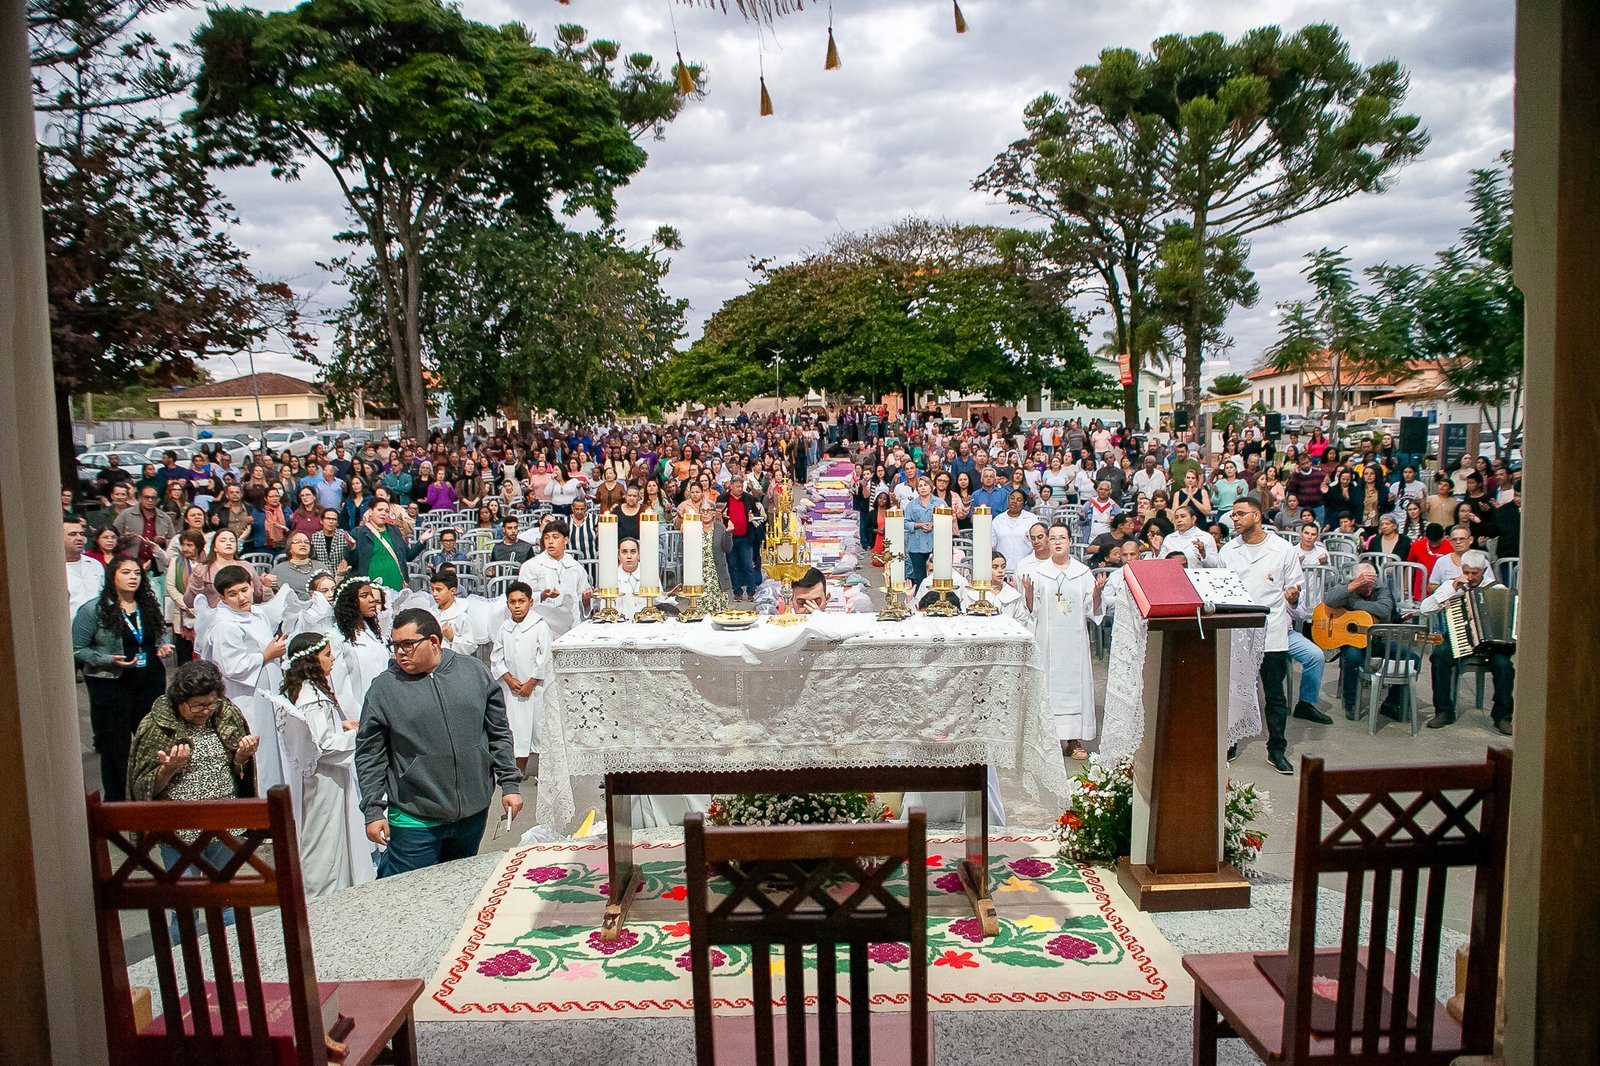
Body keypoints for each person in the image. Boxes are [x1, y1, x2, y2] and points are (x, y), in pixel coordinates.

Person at [355, 609, 522, 878]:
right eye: (395, 645)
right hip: (415, 819)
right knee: (404, 896)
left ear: (434, 641)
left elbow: (498, 733)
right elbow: (369, 755)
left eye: (408, 644)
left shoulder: (475, 673)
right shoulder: (383, 690)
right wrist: (373, 810)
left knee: (458, 889)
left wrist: (510, 784)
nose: (399, 652)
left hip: (472, 813)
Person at [277, 633, 373, 897]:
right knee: (325, 839)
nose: (332, 660)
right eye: (327, 654)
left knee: (331, 835)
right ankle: (320, 897)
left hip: (324, 778)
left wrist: (341, 725)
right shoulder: (312, 699)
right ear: (311, 660)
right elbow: (324, 745)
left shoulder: (306, 691)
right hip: (324, 781)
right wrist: (355, 735)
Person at [73, 555, 174, 801]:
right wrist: (108, 659)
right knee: (115, 748)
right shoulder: (93, 609)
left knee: (152, 742)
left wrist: (163, 645)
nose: (133, 578)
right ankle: (116, 802)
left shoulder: (148, 605)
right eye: (126, 573)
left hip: (148, 682)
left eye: (137, 573)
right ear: (112, 576)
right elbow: (76, 649)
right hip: (111, 685)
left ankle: (151, 794)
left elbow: (160, 634)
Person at [1219, 497, 1302, 775]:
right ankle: (1230, 742)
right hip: (1237, 631)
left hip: (1272, 632)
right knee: (1233, 690)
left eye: (1240, 513)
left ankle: (1276, 749)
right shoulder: (1229, 551)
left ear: (1257, 515)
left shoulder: (1283, 550)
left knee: (1275, 694)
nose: (1235, 519)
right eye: (1233, 515)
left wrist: (1292, 598)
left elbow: (1298, 596)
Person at [1020, 524, 1106, 761]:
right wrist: (1028, 593)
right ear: (1047, 542)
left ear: (1070, 541)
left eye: (1062, 538)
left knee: (1075, 686)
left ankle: (1073, 740)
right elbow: (1031, 611)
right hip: (1047, 641)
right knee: (1048, 686)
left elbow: (1093, 609)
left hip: (1074, 643)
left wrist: (1098, 592)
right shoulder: (1038, 573)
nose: (1057, 542)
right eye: (1053, 538)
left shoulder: (1082, 573)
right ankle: (1046, 740)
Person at [208, 564, 293, 793]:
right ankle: (263, 802)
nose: (241, 598)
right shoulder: (225, 625)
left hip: (268, 690)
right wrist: (266, 655)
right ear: (223, 598)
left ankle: (281, 797)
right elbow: (232, 667)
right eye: (232, 594)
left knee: (276, 748)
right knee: (260, 752)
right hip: (248, 696)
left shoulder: (256, 614)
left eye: (244, 590)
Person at [1419, 549, 1514, 735]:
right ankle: (1443, 711)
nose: (1470, 577)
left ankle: (1502, 716)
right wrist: (1453, 587)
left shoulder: (1497, 589)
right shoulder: (1451, 586)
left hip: (1490, 643)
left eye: (1475, 573)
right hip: (1457, 634)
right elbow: (1425, 609)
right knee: (1439, 657)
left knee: (1504, 665)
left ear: (1484, 570)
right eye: (1467, 572)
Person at [1321, 562, 1403, 721]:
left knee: (1413, 659)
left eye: (1372, 584)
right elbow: (1328, 599)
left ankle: (1392, 703)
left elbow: (1384, 609)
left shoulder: (1381, 587)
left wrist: (1353, 604)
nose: (1369, 589)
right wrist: (1355, 585)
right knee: (1352, 658)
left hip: (1378, 639)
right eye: (1365, 586)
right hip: (1353, 639)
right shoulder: (1351, 584)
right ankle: (1351, 703)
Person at [491, 581, 551, 778]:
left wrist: (531, 682)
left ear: (530, 602)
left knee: (538, 728)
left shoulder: (540, 626)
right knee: (515, 728)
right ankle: (518, 769)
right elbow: (496, 657)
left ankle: (543, 772)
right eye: (512, 602)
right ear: (507, 604)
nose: (517, 606)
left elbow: (545, 657)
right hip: (514, 690)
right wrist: (508, 679)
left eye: (521, 601)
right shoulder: (505, 628)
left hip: (536, 690)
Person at [518, 518, 592, 638]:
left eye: (555, 537)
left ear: (566, 539)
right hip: (541, 628)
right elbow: (520, 598)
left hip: (570, 629)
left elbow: (581, 602)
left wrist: (586, 600)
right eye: (546, 538)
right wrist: (542, 595)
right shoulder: (531, 566)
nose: (550, 542)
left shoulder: (575, 567)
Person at [330, 576, 390, 714]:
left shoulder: (373, 632)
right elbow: (340, 685)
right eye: (364, 595)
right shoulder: (337, 638)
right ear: (349, 601)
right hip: (359, 711)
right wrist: (356, 716)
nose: (372, 600)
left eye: (371, 595)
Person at [350, 500, 436, 591]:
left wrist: (421, 541)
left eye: (386, 511)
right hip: (371, 579)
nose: (383, 513)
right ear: (371, 512)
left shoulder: (394, 530)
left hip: (395, 578)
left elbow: (408, 556)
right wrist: (351, 548)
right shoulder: (358, 532)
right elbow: (352, 561)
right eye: (380, 510)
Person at [429, 569, 479, 656]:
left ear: (452, 591)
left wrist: (452, 638)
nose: (434, 594)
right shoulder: (430, 614)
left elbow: (471, 646)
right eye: (432, 589)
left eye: (438, 590)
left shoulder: (461, 616)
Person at [65, 516, 105, 621]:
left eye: (81, 534)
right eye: (72, 534)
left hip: (97, 627)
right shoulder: (54, 569)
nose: (79, 538)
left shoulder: (95, 565)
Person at [991, 490, 1040, 571]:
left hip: (1027, 567)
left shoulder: (1031, 518)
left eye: (1019, 500)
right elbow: (991, 544)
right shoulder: (998, 520)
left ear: (1024, 503)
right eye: (1012, 498)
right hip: (1003, 569)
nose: (1014, 501)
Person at [903, 476, 936, 587]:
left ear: (931, 487)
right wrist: (919, 525)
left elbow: (947, 519)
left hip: (935, 544)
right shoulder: (911, 505)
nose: (923, 488)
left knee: (936, 577)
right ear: (917, 489)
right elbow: (906, 523)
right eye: (920, 486)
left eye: (925, 485)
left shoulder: (940, 502)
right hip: (916, 545)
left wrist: (934, 524)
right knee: (920, 578)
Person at [270, 530, 321, 598]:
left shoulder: (320, 566)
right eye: (298, 542)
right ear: (289, 547)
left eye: (306, 542)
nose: (303, 544)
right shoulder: (279, 570)